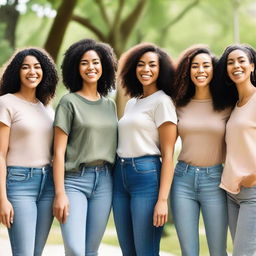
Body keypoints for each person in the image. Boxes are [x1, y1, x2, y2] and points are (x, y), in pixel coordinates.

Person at [53, 38, 117, 256]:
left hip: (104, 181)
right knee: (75, 249)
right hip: (74, 181)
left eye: (96, 62)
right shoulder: (68, 102)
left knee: (91, 250)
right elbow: (59, 152)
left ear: (104, 66)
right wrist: (60, 193)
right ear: (75, 67)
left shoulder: (110, 104)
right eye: (84, 62)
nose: (91, 67)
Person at [113, 42, 177, 256]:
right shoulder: (133, 103)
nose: (146, 69)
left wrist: (162, 200)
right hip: (120, 176)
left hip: (146, 176)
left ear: (161, 70)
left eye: (152, 65)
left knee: (146, 250)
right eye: (141, 64)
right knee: (128, 251)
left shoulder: (163, 102)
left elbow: (168, 155)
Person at [171, 46, 231, 256]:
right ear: (188, 71)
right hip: (182, 180)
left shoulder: (226, 105)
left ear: (214, 70)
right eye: (195, 66)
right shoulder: (179, 104)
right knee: (188, 252)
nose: (200, 70)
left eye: (206, 65)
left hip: (215, 180)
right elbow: (166, 145)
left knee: (218, 251)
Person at [0, 48, 58, 256]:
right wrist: (2, 199)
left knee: (36, 253)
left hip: (48, 184)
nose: (32, 71)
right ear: (17, 72)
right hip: (19, 183)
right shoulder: (6, 102)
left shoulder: (46, 108)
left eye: (37, 67)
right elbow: (0, 154)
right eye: (25, 67)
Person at [215, 44, 256, 256]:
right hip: (232, 192)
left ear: (252, 66)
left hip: (253, 192)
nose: (236, 65)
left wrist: (254, 177)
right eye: (230, 62)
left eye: (241, 60)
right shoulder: (235, 104)